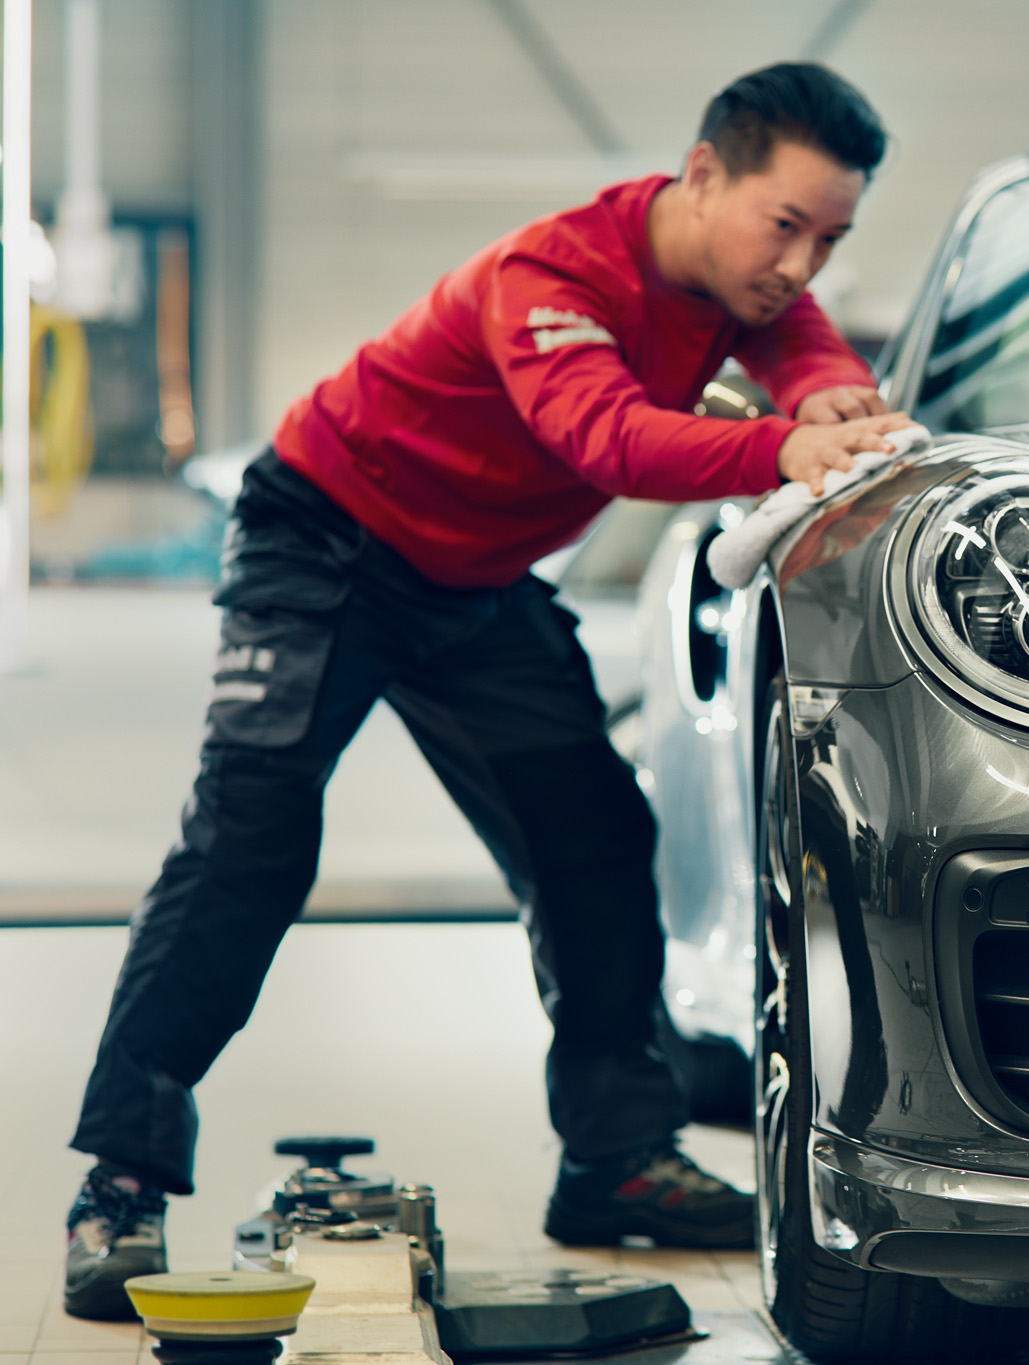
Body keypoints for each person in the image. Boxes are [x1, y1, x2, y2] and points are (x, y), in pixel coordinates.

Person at [63, 61, 912, 1320]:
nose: (800, 262)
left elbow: (785, 329)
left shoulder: (742, 283)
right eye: (783, 224)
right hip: (327, 540)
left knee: (593, 840)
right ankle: (121, 1184)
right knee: (249, 841)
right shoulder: (553, 277)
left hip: (473, 580)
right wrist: (783, 442)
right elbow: (606, 440)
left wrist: (823, 380)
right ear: (698, 176)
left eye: (829, 236)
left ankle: (616, 1160)